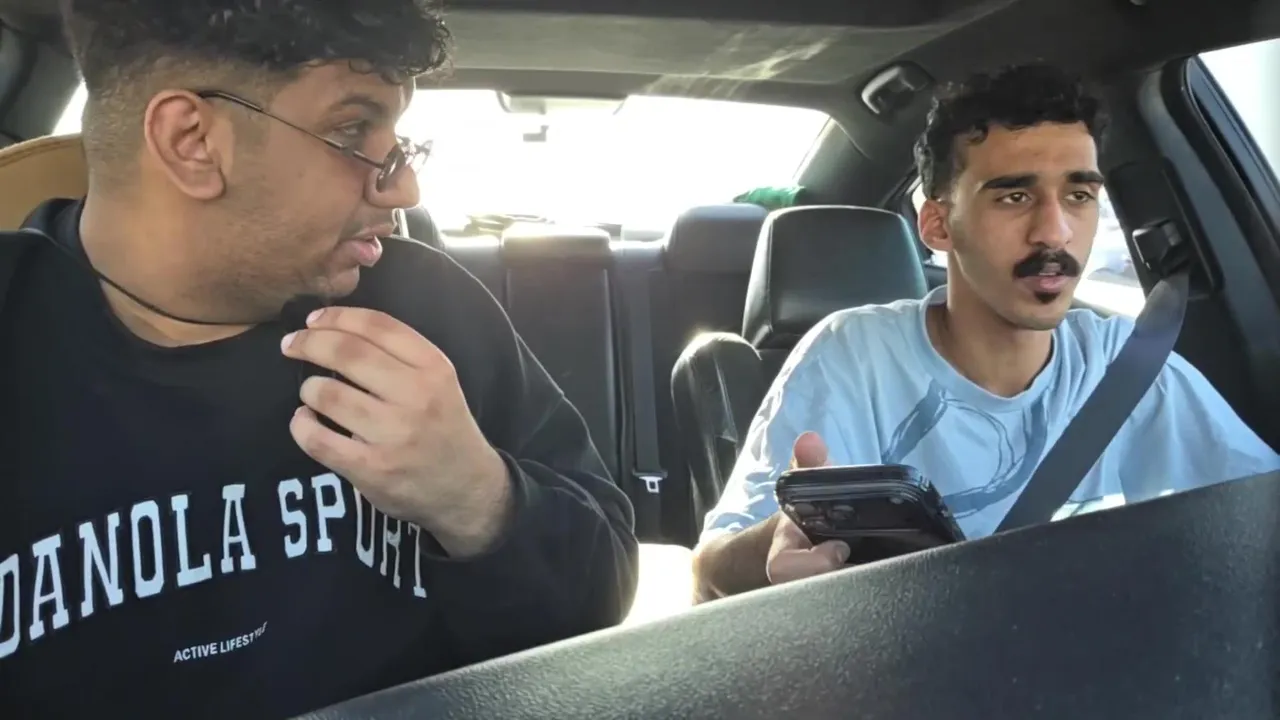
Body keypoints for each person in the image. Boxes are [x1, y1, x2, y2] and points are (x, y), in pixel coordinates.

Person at [0, 1, 639, 717]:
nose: (405, 189)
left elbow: (600, 604)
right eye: (351, 130)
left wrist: (477, 499)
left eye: (398, 139)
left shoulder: (427, 310)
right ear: (192, 142)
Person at [691, 63, 1280, 602]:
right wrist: (776, 542)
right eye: (1015, 196)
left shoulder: (1127, 365)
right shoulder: (853, 357)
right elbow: (708, 571)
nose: (1055, 232)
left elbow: (1261, 521)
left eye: (1079, 195)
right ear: (938, 225)